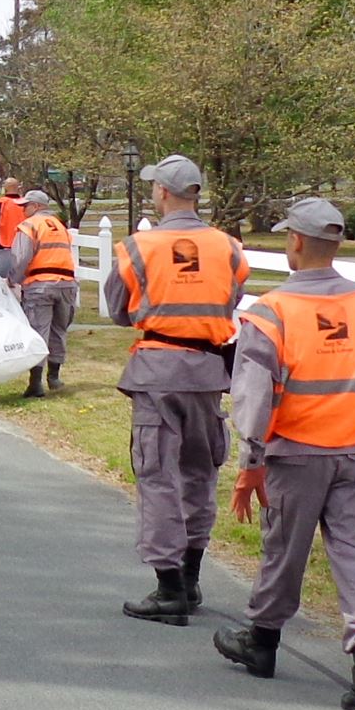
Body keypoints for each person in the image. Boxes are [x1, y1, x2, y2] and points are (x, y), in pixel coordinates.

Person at [213, 197, 355, 710]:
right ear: (336, 244)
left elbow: (252, 400)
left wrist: (251, 464)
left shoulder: (270, 311)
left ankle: (263, 642)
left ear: (295, 241)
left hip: (295, 453)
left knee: (284, 551)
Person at [102, 157, 247, 624]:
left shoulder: (137, 247)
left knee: (158, 474)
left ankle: (168, 589)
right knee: (199, 472)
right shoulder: (229, 248)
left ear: (163, 193)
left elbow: (119, 310)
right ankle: (191, 576)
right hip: (208, 372)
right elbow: (232, 299)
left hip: (157, 371)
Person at [4, 187, 81, 398]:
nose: (23, 210)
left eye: (25, 206)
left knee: (38, 332)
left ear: (36, 206)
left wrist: (12, 280)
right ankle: (54, 377)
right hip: (66, 284)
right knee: (59, 330)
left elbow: (21, 258)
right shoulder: (59, 225)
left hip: (40, 285)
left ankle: (35, 383)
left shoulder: (29, 226)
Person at [0, 175, 29, 252]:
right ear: (19, 187)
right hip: (23, 247)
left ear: (5, 188)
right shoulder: (26, 204)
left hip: (3, 246)